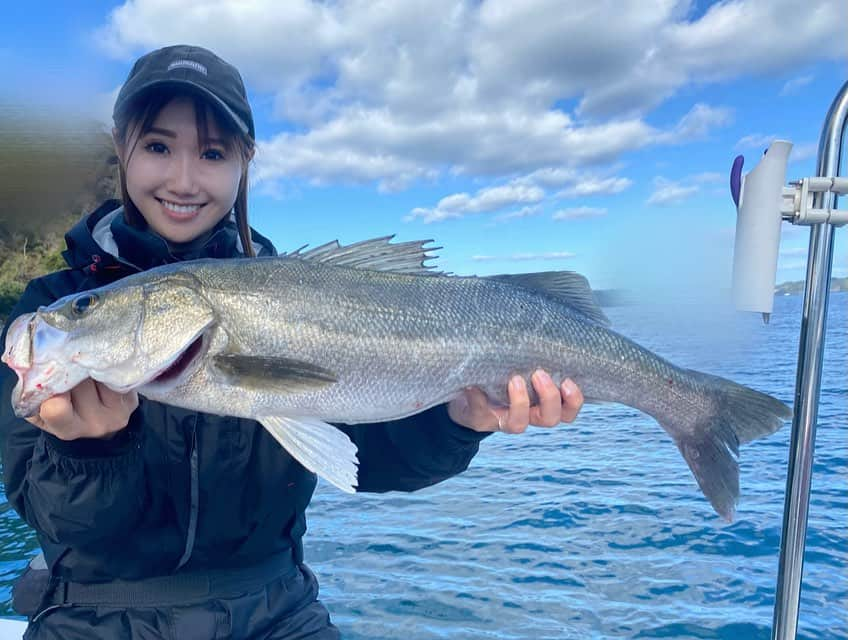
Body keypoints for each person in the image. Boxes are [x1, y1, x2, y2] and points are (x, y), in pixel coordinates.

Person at [0, 44, 584, 639]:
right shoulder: (46, 301)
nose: (182, 179)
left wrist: (459, 420)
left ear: (244, 161)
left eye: (212, 153)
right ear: (122, 149)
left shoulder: (302, 289)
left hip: (278, 612)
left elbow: (370, 461)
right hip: (93, 618)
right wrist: (89, 453)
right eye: (157, 147)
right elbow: (49, 517)